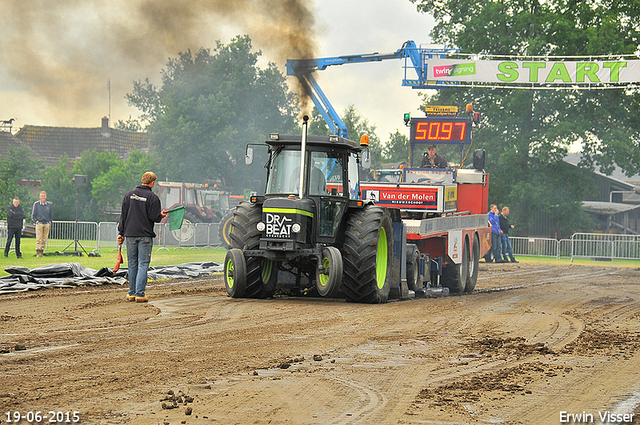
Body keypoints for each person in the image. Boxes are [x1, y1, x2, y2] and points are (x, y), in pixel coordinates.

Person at [117, 171, 167, 303]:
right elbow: (154, 218)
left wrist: (120, 233)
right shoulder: (153, 197)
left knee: (132, 264)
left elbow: (123, 216)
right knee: (143, 264)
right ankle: (140, 294)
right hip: (145, 235)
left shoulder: (129, 195)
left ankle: (131, 293)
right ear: (152, 183)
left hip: (130, 234)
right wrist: (160, 215)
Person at [32, 191, 53, 257]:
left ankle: (42, 252)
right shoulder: (36, 204)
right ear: (39, 197)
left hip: (46, 223)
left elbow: (51, 214)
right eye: (42, 196)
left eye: (44, 196)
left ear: (46, 196)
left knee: (44, 239)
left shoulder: (49, 205)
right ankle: (38, 252)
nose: (43, 197)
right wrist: (36, 221)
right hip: (39, 223)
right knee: (39, 238)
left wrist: (50, 221)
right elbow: (33, 214)